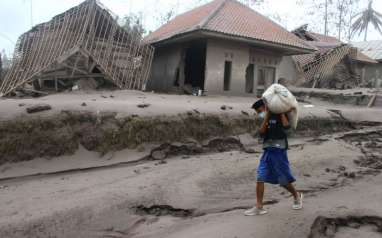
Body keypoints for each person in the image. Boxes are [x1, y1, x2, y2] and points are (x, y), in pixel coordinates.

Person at [244, 99, 303, 216]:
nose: (260, 114)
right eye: (258, 112)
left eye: (260, 111)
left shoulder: (280, 114)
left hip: (279, 151)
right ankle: (259, 207)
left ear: (265, 107)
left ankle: (297, 196)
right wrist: (267, 117)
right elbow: (261, 133)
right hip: (268, 151)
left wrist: (280, 112)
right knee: (260, 176)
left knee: (283, 180)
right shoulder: (266, 119)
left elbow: (286, 128)